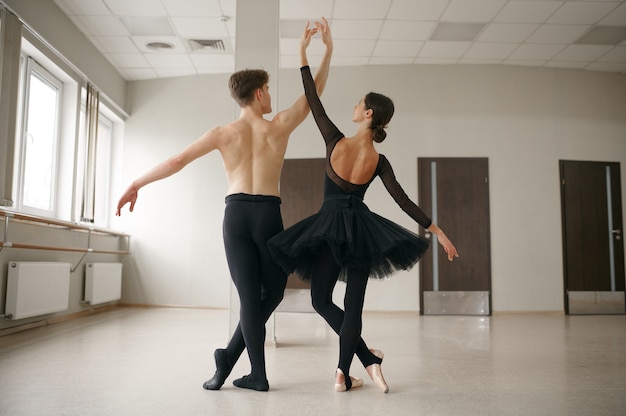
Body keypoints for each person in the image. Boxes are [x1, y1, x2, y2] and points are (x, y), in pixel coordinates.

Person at [116, 18, 333, 392]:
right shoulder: (278, 126)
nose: (270, 96)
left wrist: (136, 183)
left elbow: (176, 161)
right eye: (268, 89)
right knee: (270, 293)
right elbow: (315, 96)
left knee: (253, 298)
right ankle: (252, 372)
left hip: (234, 216)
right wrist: (324, 52)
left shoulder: (221, 133)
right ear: (261, 93)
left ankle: (230, 362)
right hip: (267, 213)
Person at [267, 47, 459, 393]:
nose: (354, 106)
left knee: (321, 301)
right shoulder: (378, 160)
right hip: (361, 231)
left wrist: (302, 54)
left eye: (359, 103)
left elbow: (313, 100)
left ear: (367, 113)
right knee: (353, 305)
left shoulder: (334, 140)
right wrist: (438, 230)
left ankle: (359, 365)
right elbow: (402, 200)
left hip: (327, 229)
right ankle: (352, 368)